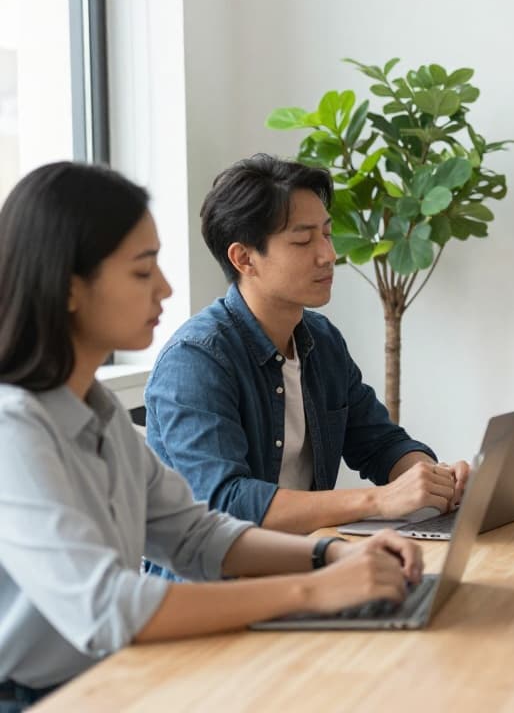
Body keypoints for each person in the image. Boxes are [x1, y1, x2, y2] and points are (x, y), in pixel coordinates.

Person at [0, 163, 423, 710]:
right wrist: (316, 590)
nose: (167, 288)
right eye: (141, 271)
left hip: (121, 669)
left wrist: (328, 556)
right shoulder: (15, 428)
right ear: (69, 288)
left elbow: (197, 535)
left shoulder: (96, 408)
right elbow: (107, 607)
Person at [144, 155, 468, 542]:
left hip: (309, 563)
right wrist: (378, 500)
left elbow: (381, 443)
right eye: (302, 240)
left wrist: (430, 478)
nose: (328, 255)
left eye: (327, 234)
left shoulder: (321, 340)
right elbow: (226, 501)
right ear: (244, 258)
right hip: (220, 589)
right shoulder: (196, 359)